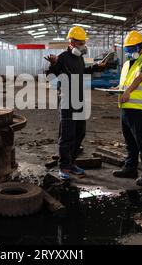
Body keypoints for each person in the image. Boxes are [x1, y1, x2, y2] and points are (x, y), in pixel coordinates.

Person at [112, 30, 142, 187]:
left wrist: (128, 91)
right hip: (126, 108)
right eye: (127, 50)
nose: (129, 52)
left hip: (140, 110)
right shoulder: (126, 64)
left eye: (132, 49)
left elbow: (140, 78)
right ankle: (131, 168)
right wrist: (118, 88)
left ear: (140, 47)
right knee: (129, 141)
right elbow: (126, 81)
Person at [45, 26, 88, 180]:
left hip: (79, 100)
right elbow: (50, 77)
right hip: (66, 101)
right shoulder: (62, 57)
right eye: (80, 42)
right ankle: (64, 167)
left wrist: (97, 67)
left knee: (80, 133)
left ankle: (72, 163)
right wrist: (53, 65)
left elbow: (82, 73)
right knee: (67, 135)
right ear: (72, 43)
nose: (83, 45)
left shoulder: (80, 58)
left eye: (84, 42)